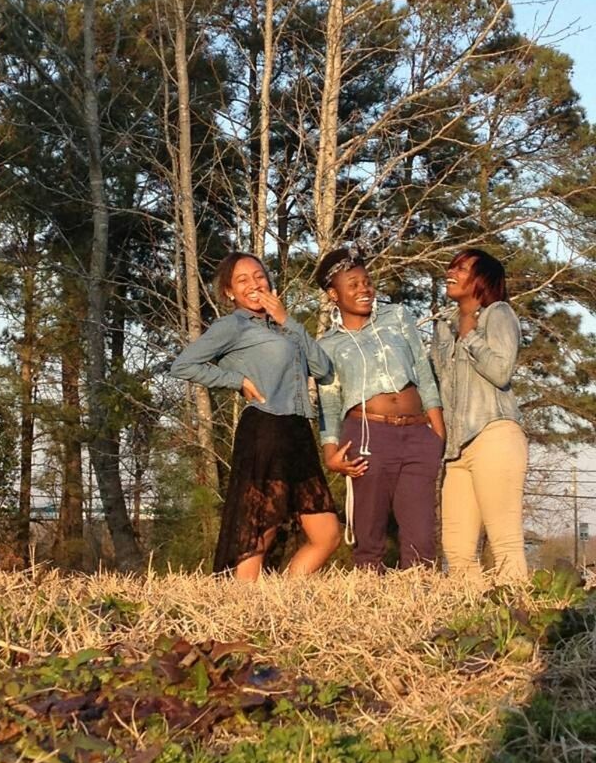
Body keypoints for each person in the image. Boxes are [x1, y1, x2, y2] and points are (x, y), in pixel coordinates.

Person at [170, 252, 347, 580]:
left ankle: (285, 599)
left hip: (297, 431)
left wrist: (287, 321)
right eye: (242, 280)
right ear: (229, 292)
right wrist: (237, 381)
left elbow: (323, 369)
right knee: (259, 529)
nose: (254, 284)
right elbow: (183, 365)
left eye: (259, 276)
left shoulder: (284, 326)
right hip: (265, 428)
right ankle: (243, 605)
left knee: (327, 533)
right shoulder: (232, 326)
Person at [315, 248, 446, 571]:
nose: (364, 290)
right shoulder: (327, 345)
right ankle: (369, 603)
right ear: (334, 294)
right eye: (353, 285)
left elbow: (422, 369)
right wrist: (331, 454)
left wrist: (437, 432)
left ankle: (421, 608)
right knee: (368, 532)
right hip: (366, 435)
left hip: (418, 433)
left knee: (422, 537)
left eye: (367, 282)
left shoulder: (398, 317)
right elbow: (329, 403)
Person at [431, 248, 528, 582]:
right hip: (457, 449)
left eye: (461, 268)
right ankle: (469, 625)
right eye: (451, 267)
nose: (451, 272)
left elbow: (501, 371)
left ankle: (521, 625)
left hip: (494, 435)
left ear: (481, 279)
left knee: (506, 543)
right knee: (456, 552)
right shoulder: (444, 325)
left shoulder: (498, 314)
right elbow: (441, 381)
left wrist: (471, 334)